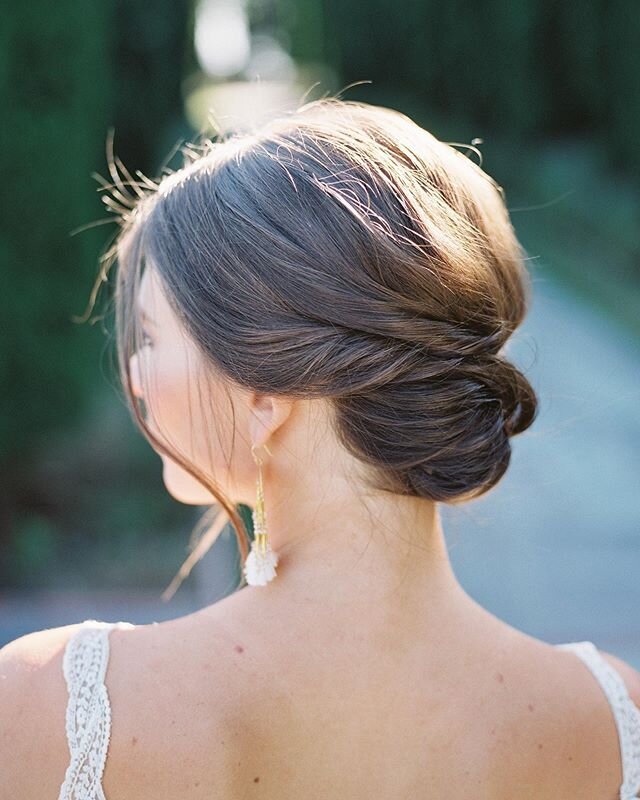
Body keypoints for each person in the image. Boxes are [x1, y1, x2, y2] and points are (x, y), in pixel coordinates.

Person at [1, 97, 639, 800]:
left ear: (266, 392)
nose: (134, 377)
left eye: (152, 339)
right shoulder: (611, 718)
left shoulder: (55, 706)